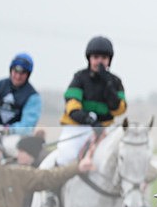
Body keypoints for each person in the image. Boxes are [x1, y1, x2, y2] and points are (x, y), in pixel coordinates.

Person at [54, 36, 126, 166]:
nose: (99, 61)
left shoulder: (115, 81)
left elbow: (119, 110)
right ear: (89, 59)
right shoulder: (79, 77)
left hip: (104, 129)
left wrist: (109, 86)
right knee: (66, 155)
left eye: (104, 58)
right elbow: (72, 107)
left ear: (109, 60)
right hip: (78, 127)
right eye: (96, 57)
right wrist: (91, 121)